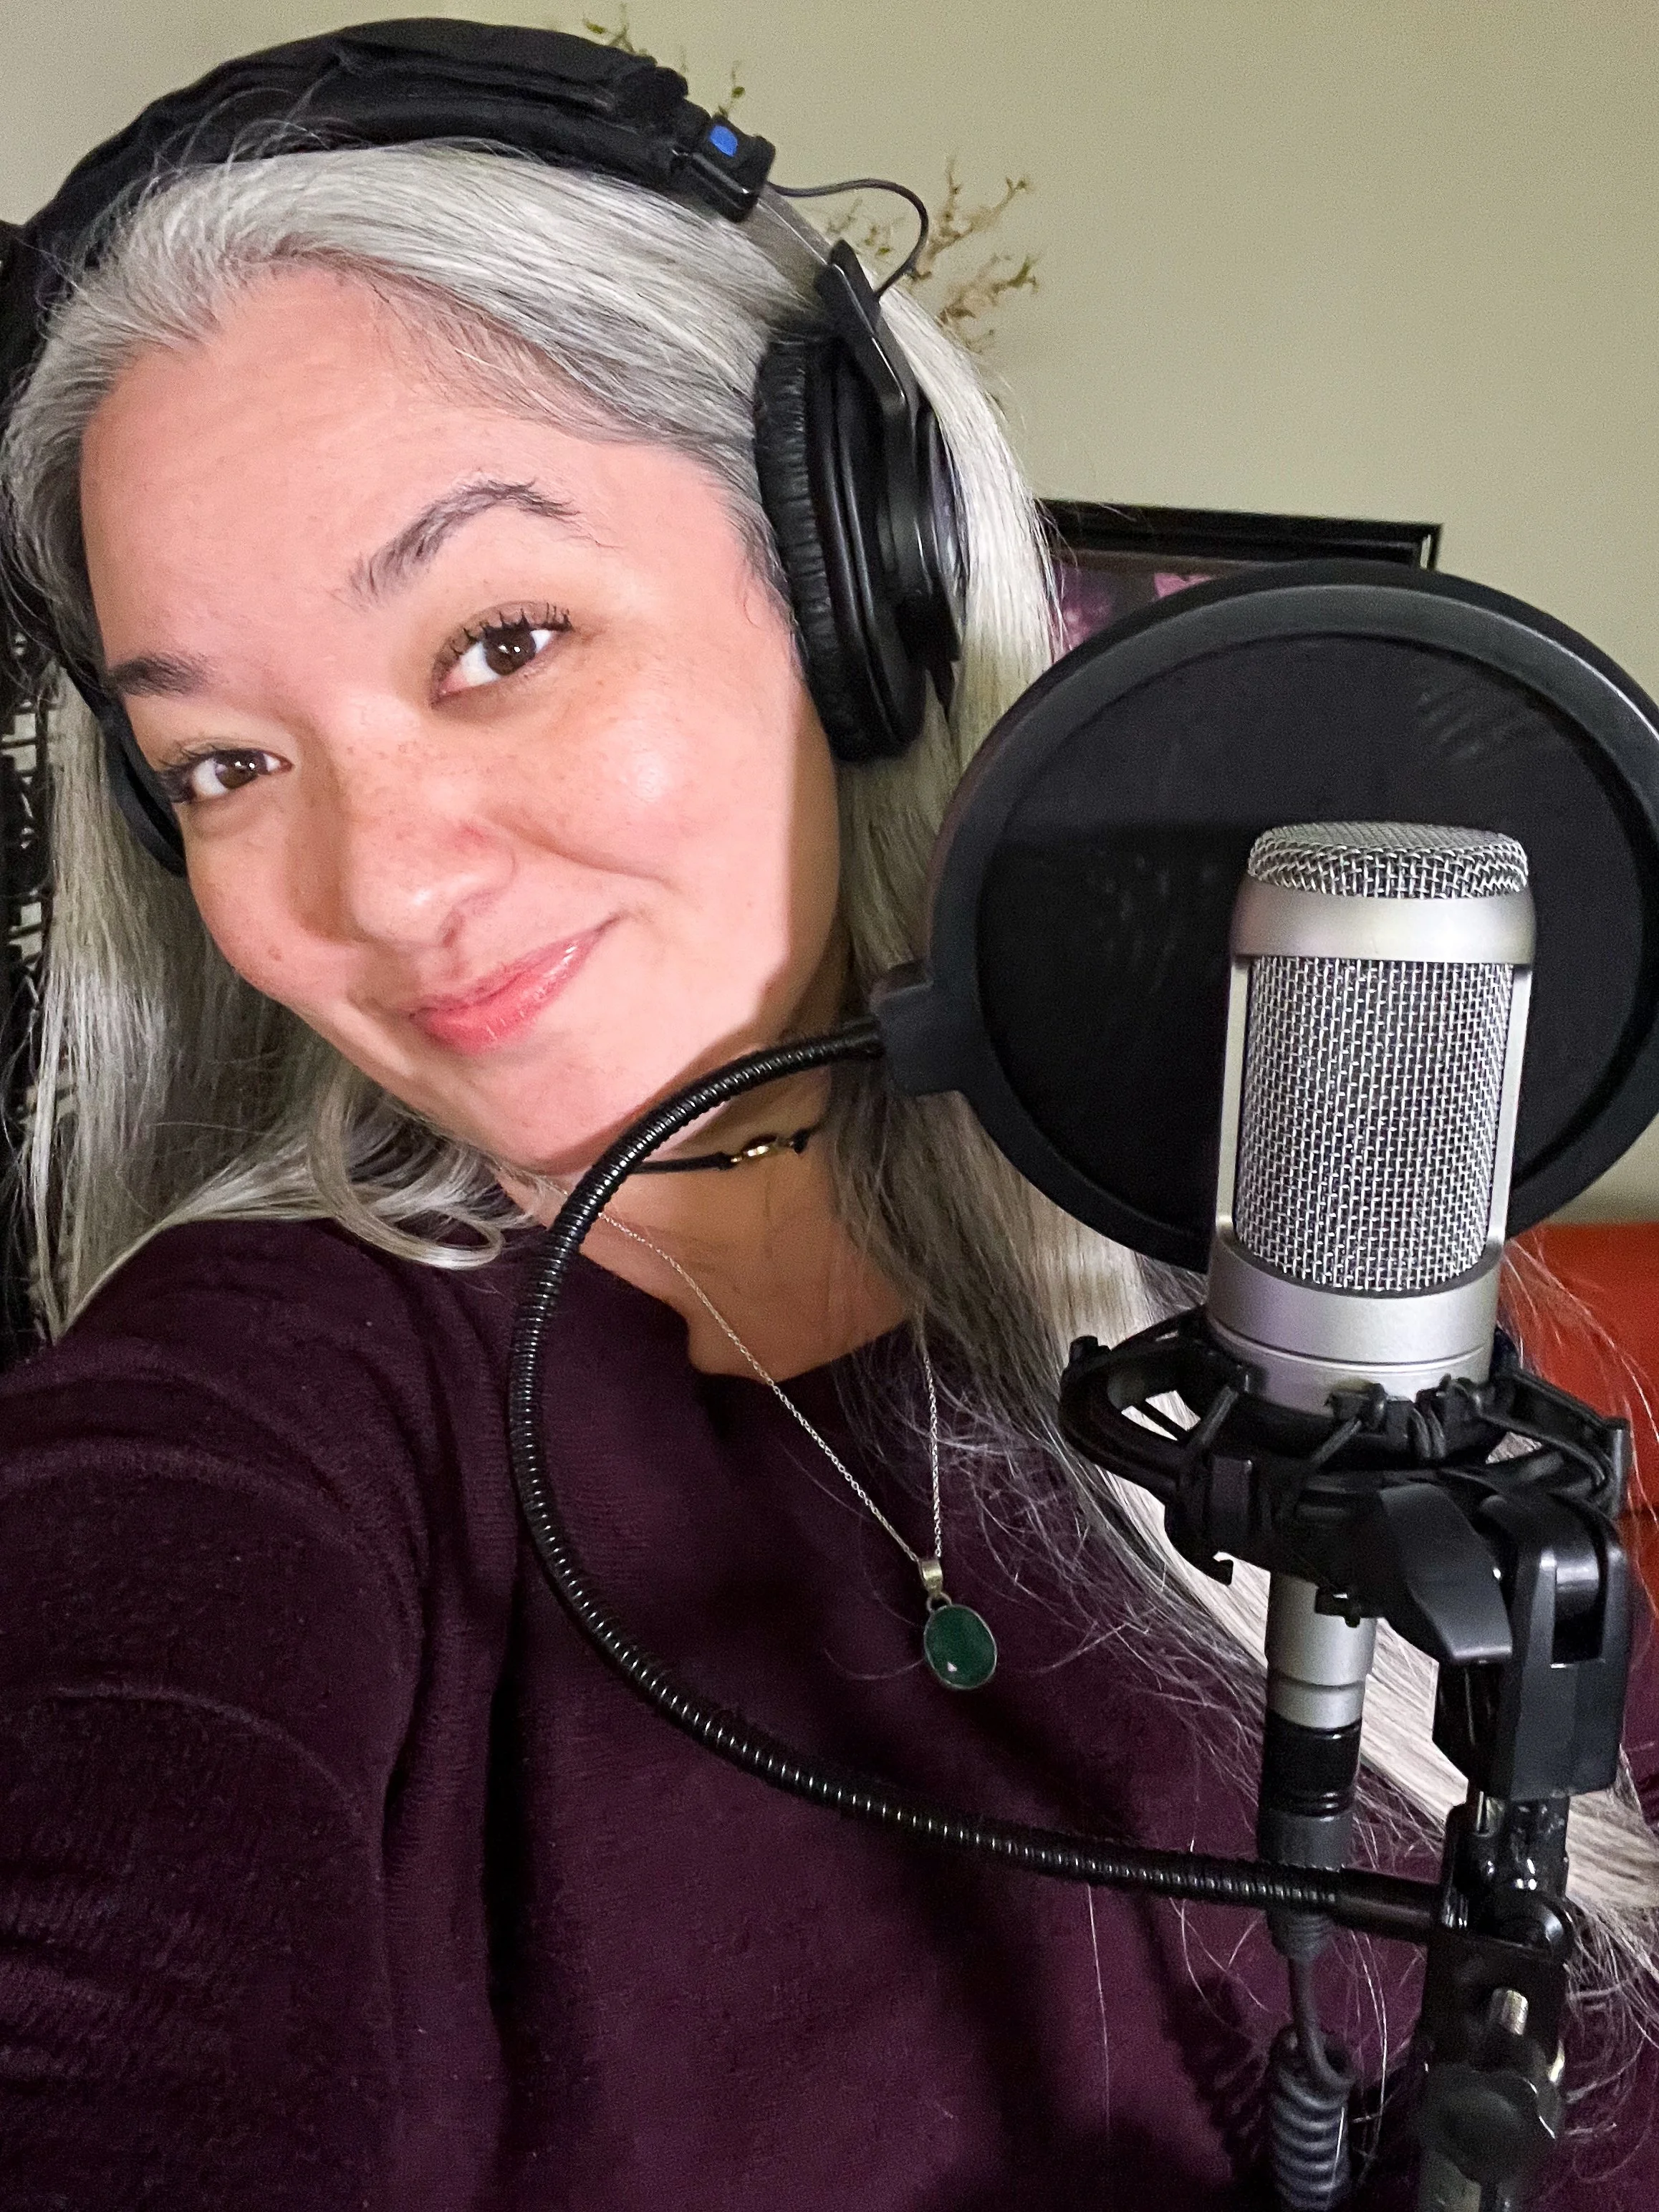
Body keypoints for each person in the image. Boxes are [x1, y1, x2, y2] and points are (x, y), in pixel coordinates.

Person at [0, 25, 1655, 2209]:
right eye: (225, 763)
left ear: (852, 600)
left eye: (500, 639)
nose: (377, 889)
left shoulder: (1274, 1268)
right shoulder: (250, 1392)